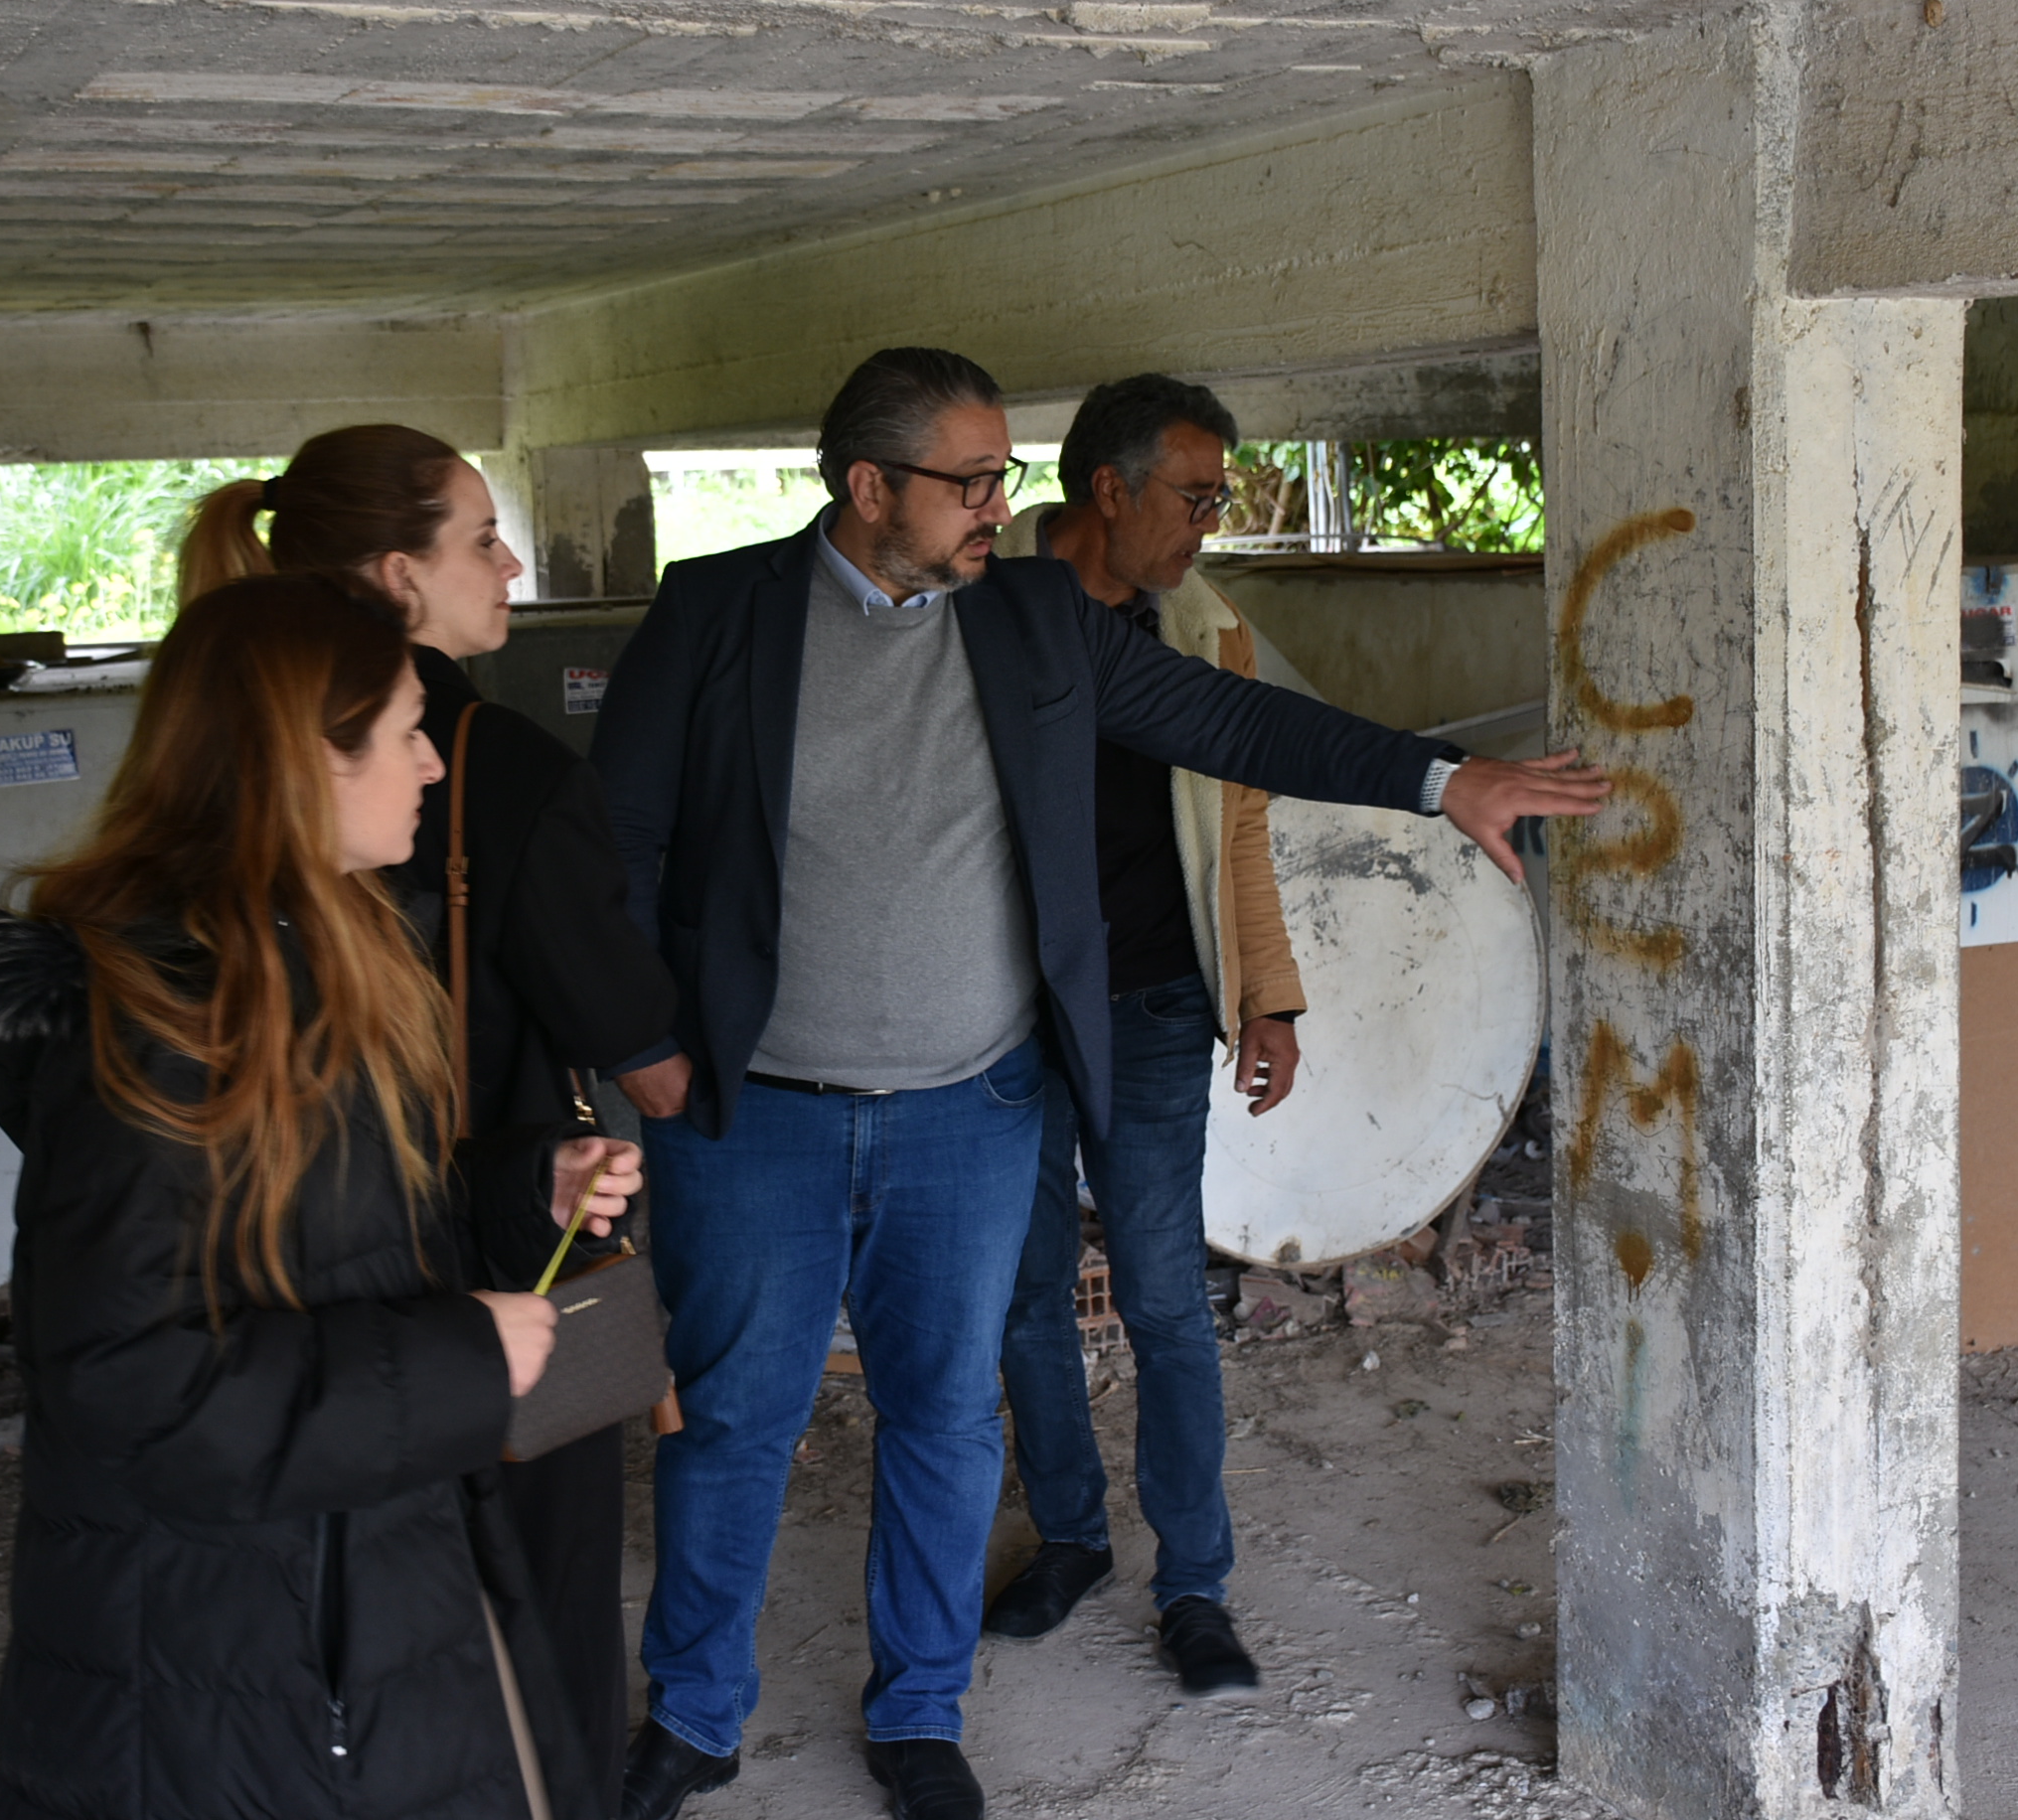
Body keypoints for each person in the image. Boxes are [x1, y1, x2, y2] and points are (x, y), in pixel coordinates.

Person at [592, 347, 1609, 1820]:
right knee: (736, 1419)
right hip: (755, 1118)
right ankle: (693, 1718)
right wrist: (641, 1051)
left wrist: (1443, 780)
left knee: (946, 1417)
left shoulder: (1031, 619)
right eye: (969, 482)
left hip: (966, 1112)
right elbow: (618, 840)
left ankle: (919, 1712)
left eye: (1001, 475)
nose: (997, 505)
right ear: (868, 486)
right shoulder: (717, 613)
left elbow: (1231, 725)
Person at [0, 574, 644, 1820]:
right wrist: (460, 1356)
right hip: (233, 1673)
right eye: (403, 731)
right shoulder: (166, 1030)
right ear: (303, 762)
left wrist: (522, 1187)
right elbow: (131, 1381)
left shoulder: (314, 954)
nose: (431, 763)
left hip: (346, 1598)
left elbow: (326, 1228)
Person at [181, 428, 680, 1791]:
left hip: (397, 1254)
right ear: (397, 575)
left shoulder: (219, 816)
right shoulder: (499, 764)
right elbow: (631, 1037)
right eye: (480, 538)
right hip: (514, 1254)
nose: (511, 563)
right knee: (546, 1591)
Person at [985, 374, 1301, 1696]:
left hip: (1160, 1002)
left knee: (1166, 1296)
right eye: (1194, 496)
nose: (1207, 524)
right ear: (1106, 489)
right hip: (1002, 1008)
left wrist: (1268, 992)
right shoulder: (982, 608)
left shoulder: (1208, 634)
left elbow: (1238, 825)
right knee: (1024, 1292)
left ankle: (1194, 1584)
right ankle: (1069, 1536)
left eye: (1218, 498)